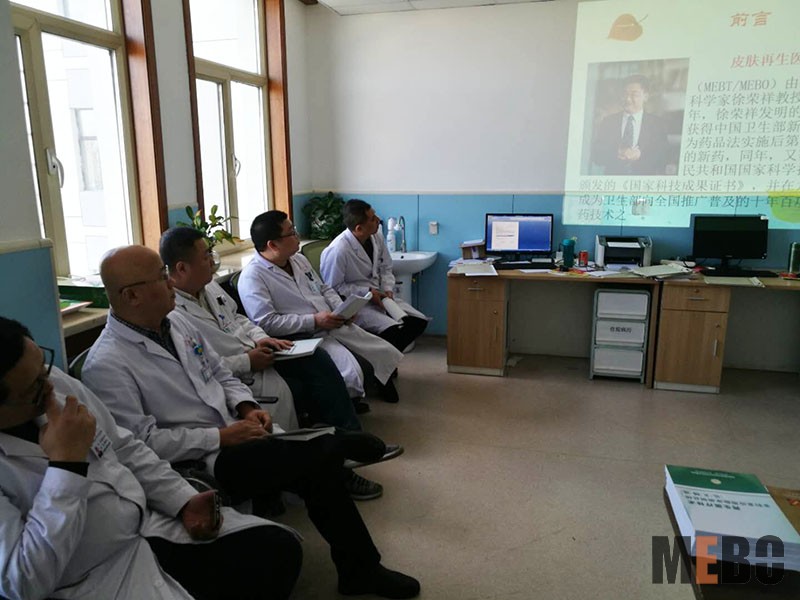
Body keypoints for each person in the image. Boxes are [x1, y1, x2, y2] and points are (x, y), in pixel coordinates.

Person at [80, 246, 420, 599]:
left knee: (318, 467)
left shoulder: (176, 322)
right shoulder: (107, 364)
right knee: (316, 459)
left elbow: (219, 373)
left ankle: (359, 567)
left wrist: (245, 406)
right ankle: (334, 445)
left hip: (235, 431)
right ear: (131, 295)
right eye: (161, 276)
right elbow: (143, 444)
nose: (170, 283)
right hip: (198, 461)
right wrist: (221, 436)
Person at [0, 316, 302, 600]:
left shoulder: (53, 383)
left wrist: (181, 499)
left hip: (148, 522)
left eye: (44, 367)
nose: (50, 387)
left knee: (277, 551)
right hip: (94, 575)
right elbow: (23, 580)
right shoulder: (106, 361)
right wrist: (66, 467)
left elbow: (123, 445)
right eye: (33, 388)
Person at [161, 226, 362, 432]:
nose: (213, 262)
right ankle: (336, 435)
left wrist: (262, 337)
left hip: (259, 351)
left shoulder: (209, 286)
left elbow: (237, 317)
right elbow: (199, 367)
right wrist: (247, 361)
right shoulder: (172, 314)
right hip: (240, 371)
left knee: (317, 358)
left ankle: (347, 431)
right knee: (305, 383)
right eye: (206, 257)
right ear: (182, 268)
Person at [238, 211, 404, 403]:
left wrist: (343, 309)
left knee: (380, 350)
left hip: (330, 323)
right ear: (273, 245)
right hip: (302, 336)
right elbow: (267, 323)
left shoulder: (298, 260)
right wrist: (314, 321)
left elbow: (323, 288)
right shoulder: (253, 277)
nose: (297, 236)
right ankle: (344, 404)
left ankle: (365, 391)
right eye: (291, 233)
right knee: (353, 371)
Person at [320, 199, 430, 353]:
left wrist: (387, 288)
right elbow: (334, 287)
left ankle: (385, 358)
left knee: (418, 322)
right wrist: (368, 292)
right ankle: (379, 360)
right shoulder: (338, 250)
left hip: (381, 296)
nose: (378, 220)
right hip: (357, 304)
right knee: (394, 331)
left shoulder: (376, 236)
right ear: (359, 228)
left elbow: (386, 266)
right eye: (372, 219)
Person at [590, 74, 670, 176]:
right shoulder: (608, 122)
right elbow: (596, 156)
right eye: (625, 94)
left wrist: (640, 155)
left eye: (634, 94)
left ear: (645, 96)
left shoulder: (657, 124)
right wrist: (617, 153)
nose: (628, 99)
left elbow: (664, 157)